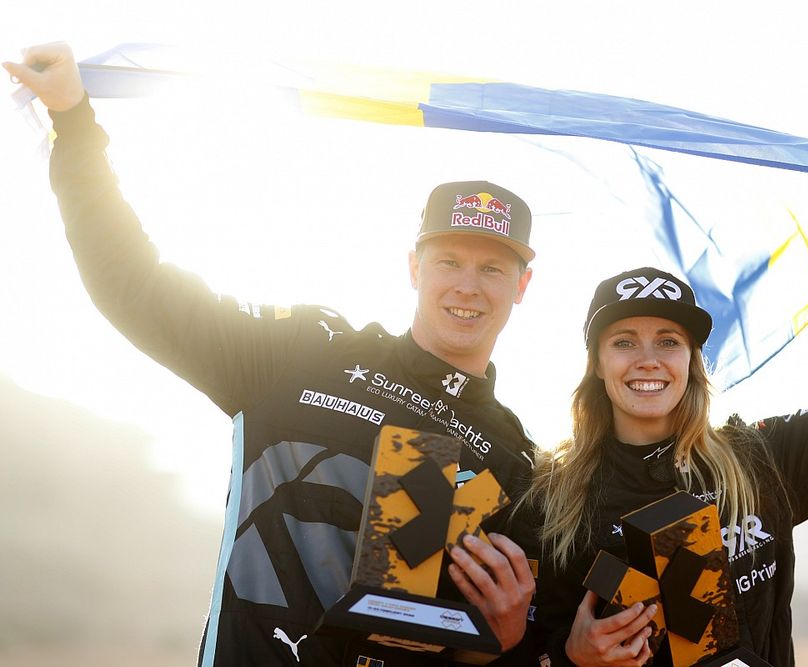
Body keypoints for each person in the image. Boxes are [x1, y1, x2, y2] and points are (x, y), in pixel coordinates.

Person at [4, 43, 539, 666]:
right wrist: (74, 122)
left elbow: (503, 647)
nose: (467, 287)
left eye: (493, 269)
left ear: (522, 286)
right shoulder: (301, 353)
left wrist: (504, 642)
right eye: (449, 261)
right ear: (414, 266)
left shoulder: (516, 458)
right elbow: (134, 286)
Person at [519, 172, 808, 666]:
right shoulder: (552, 498)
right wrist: (570, 658)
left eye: (669, 341)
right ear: (597, 364)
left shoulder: (759, 462)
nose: (647, 359)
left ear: (693, 362)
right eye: (624, 341)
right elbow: (509, 650)